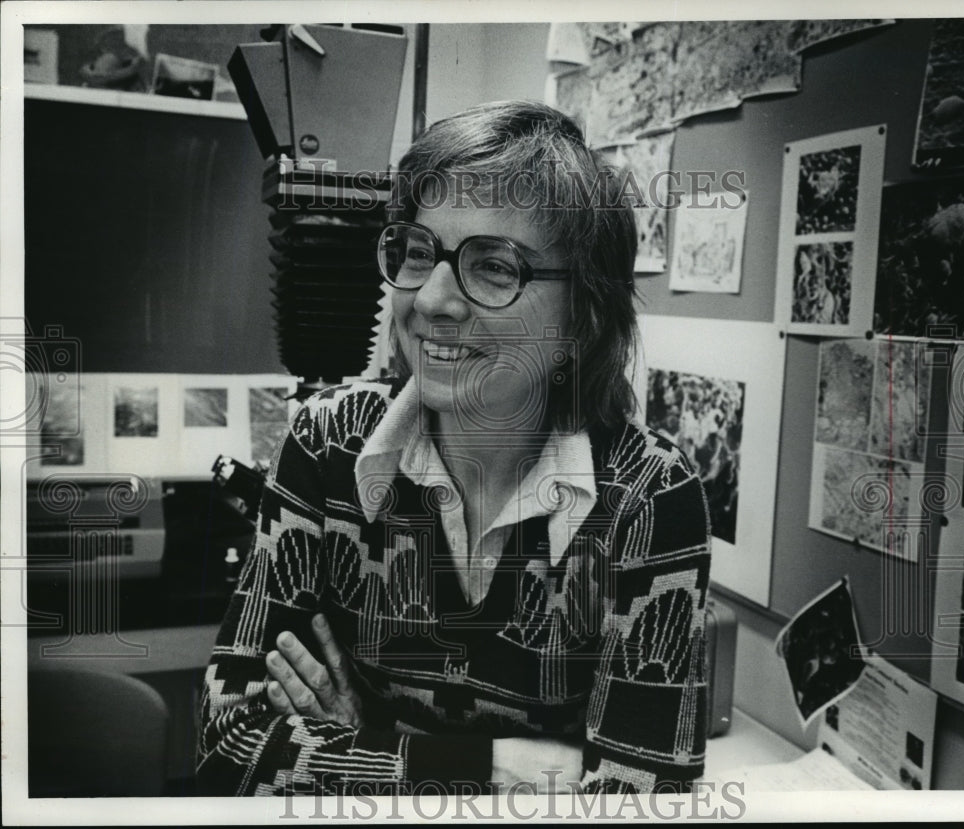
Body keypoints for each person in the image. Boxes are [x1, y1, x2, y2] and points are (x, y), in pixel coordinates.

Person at [197, 100, 712, 796]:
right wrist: (488, 768)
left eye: (494, 267)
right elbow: (229, 741)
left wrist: (358, 744)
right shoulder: (328, 445)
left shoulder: (649, 494)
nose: (431, 298)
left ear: (583, 316)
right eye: (417, 251)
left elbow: (642, 799)